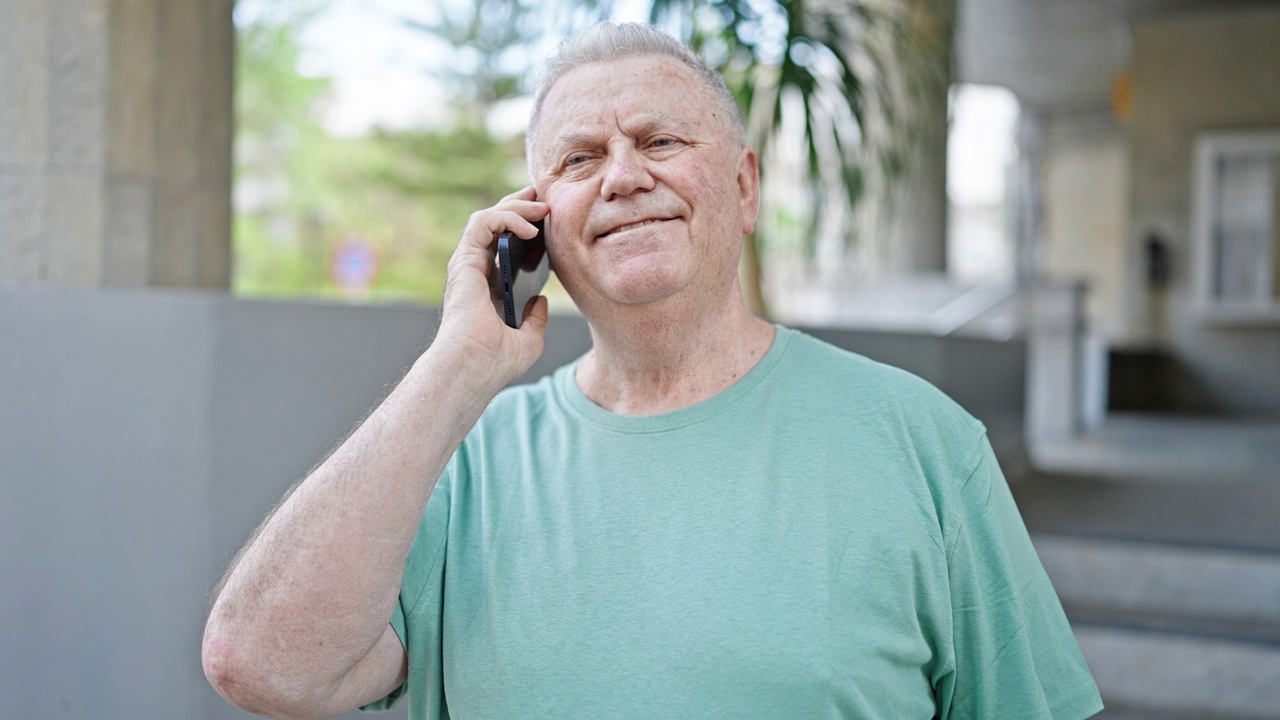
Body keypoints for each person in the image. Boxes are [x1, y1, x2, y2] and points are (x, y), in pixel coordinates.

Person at [202, 22, 1102, 720]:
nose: (623, 176)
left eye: (663, 142)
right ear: (536, 224)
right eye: (579, 159)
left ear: (745, 189)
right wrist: (459, 361)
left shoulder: (923, 444)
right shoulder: (463, 466)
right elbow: (260, 663)